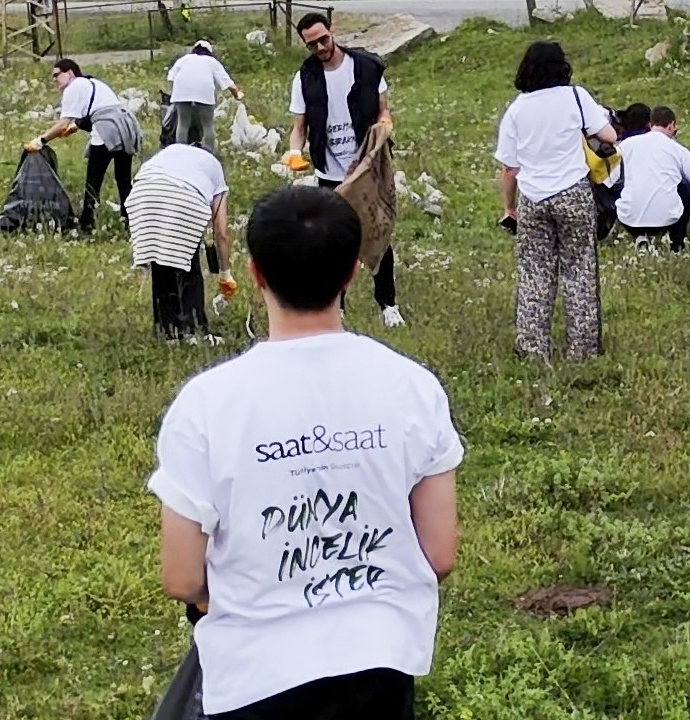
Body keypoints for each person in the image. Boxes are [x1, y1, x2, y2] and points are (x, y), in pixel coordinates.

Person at [147, 185, 464, 719]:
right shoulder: (412, 387)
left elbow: (182, 577)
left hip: (253, 676)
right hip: (381, 666)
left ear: (254, 274)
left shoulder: (207, 404)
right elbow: (439, 553)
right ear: (351, 274)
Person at [494, 41, 617, 361]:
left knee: (535, 272)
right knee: (580, 269)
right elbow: (610, 137)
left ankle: (533, 348)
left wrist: (509, 206)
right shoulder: (575, 97)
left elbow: (509, 167)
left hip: (533, 198)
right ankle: (583, 349)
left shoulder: (517, 109)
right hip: (573, 193)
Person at [282, 13, 405, 328]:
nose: (321, 47)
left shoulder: (366, 66)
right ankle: (336, 307)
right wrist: (295, 150)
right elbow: (300, 127)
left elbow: (382, 109)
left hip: (367, 169)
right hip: (331, 173)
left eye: (323, 39)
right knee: (331, 241)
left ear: (332, 32)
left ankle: (388, 305)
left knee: (378, 234)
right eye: (312, 45)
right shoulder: (305, 78)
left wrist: (385, 125)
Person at [127, 142, 236, 344]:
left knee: (160, 261)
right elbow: (220, 231)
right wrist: (225, 273)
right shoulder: (214, 167)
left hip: (143, 193)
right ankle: (194, 332)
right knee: (189, 269)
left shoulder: (170, 151)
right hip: (184, 196)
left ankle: (167, 332)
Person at [26, 59, 143, 234]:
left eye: (57, 75)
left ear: (70, 73)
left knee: (93, 181)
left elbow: (63, 123)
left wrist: (40, 140)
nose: (54, 80)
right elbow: (96, 110)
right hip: (125, 126)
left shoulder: (73, 87)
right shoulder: (92, 82)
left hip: (106, 130)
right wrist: (76, 126)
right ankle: (130, 221)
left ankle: (87, 223)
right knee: (124, 179)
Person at [615, 105, 690, 255]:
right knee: (687, 187)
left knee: (622, 182)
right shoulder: (677, 149)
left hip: (629, 219)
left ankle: (640, 237)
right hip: (667, 219)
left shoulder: (626, 145)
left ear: (650, 125)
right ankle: (677, 242)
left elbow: (608, 175)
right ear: (671, 126)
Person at [166, 40, 244, 151]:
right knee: (207, 124)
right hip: (204, 92)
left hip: (182, 92)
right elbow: (228, 83)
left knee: (183, 123)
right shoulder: (211, 62)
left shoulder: (183, 60)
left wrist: (172, 92)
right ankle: (208, 153)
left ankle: (181, 152)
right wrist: (237, 95)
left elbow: (171, 77)